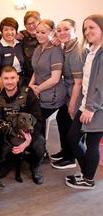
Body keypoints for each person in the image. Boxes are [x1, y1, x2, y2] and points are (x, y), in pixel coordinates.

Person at [65, 14, 103, 190]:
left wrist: (91, 108)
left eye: (92, 27)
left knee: (92, 143)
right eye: (85, 28)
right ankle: (87, 172)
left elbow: (101, 85)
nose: (87, 31)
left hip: (96, 108)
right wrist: (80, 104)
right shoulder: (91, 51)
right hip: (86, 104)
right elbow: (87, 82)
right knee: (73, 137)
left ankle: (88, 179)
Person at [0, 66, 45, 184]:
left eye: (12, 78)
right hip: (8, 137)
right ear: (1, 80)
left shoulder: (29, 96)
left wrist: (27, 142)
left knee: (40, 144)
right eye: (6, 78)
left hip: (27, 134)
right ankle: (10, 160)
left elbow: (39, 122)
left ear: (17, 78)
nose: (9, 81)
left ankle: (35, 167)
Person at [29, 19, 67, 153]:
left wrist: (38, 89)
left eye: (43, 32)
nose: (39, 35)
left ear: (51, 32)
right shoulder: (38, 48)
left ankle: (39, 151)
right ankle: (37, 149)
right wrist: (31, 84)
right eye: (37, 32)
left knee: (36, 120)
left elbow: (55, 78)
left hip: (52, 95)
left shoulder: (55, 50)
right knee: (33, 119)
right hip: (38, 91)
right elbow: (36, 69)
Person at [51, 19, 83, 169]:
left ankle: (70, 158)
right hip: (69, 91)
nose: (62, 32)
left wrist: (72, 104)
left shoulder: (76, 51)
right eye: (59, 30)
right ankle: (65, 152)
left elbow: (79, 82)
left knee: (70, 125)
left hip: (77, 93)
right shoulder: (67, 47)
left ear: (74, 30)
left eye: (66, 29)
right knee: (61, 118)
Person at [0, 17, 25, 90]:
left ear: (16, 31)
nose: (9, 32)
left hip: (22, 82)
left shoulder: (20, 44)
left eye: (12, 29)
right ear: (2, 31)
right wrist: (3, 88)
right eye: (6, 29)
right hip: (6, 83)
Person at [17, 11, 41, 84]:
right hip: (27, 77)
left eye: (33, 23)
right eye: (28, 24)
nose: (31, 26)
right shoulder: (23, 35)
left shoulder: (47, 36)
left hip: (43, 77)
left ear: (39, 22)